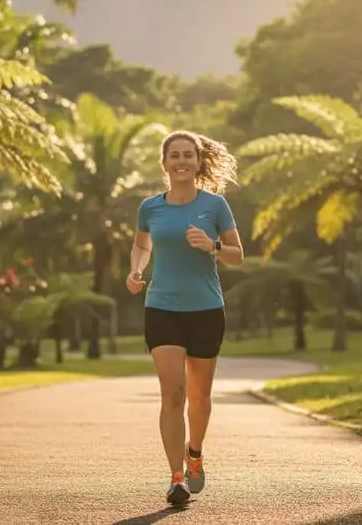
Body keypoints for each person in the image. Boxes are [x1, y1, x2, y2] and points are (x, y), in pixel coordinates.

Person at [126, 130, 244, 505]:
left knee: (199, 395)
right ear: (164, 163)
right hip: (162, 308)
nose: (181, 161)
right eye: (174, 155)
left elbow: (237, 255)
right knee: (173, 393)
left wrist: (211, 245)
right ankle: (176, 477)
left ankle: (195, 452)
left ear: (197, 161)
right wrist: (136, 270)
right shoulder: (150, 208)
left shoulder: (215, 205)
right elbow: (141, 244)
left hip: (205, 309)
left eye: (187, 155)